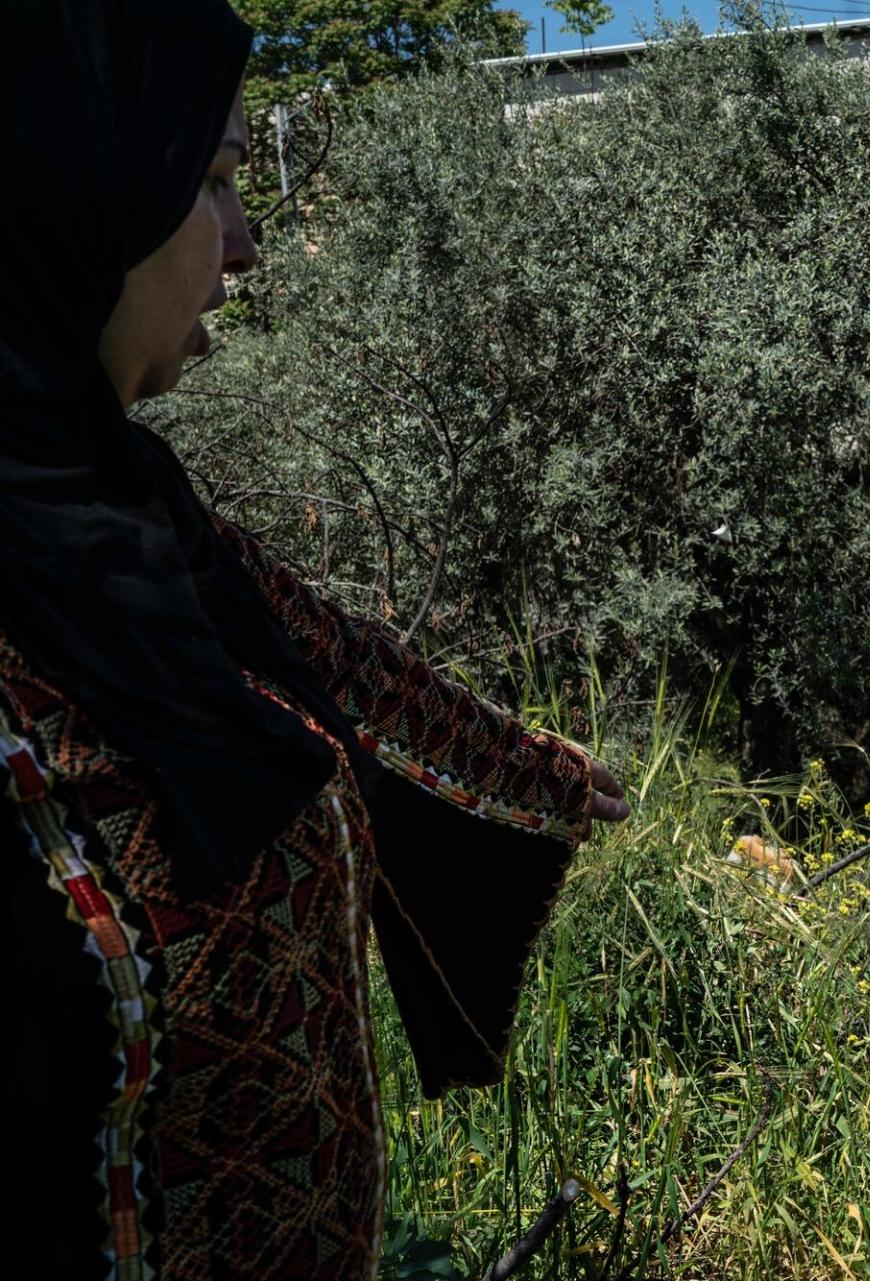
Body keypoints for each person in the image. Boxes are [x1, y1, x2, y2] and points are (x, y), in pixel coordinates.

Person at [1, 3, 628, 1275]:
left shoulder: (134, 517)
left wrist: (531, 771)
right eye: (216, 179)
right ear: (77, 183)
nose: (243, 247)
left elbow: (329, 659)